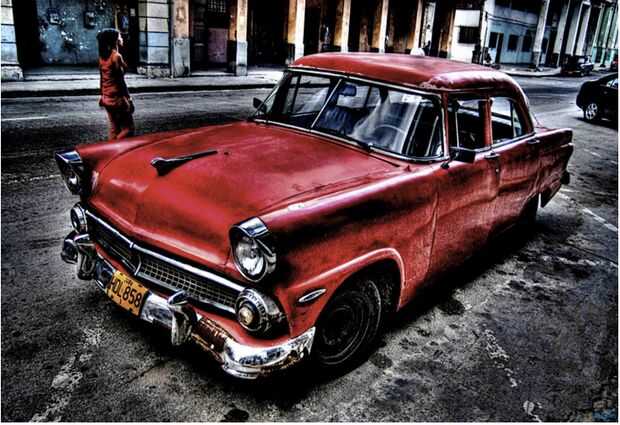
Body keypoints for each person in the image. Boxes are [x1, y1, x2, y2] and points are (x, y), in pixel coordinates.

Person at [97, 28, 134, 140]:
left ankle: (111, 147)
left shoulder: (103, 57)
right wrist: (128, 99)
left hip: (107, 97)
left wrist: (102, 95)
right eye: (119, 36)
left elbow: (102, 78)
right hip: (118, 98)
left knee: (114, 128)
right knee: (128, 129)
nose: (121, 38)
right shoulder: (116, 57)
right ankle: (117, 146)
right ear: (114, 40)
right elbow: (120, 81)